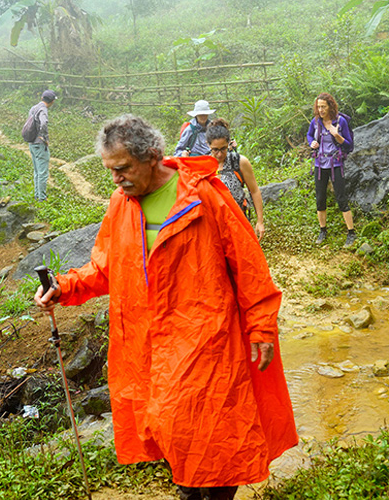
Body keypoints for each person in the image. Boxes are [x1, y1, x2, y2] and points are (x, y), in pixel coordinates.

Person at [34, 114, 297, 500]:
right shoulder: (120, 204)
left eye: (123, 168)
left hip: (209, 337)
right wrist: (65, 286)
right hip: (151, 342)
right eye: (110, 171)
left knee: (218, 427)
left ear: (152, 156)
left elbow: (248, 261)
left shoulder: (203, 194)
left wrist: (260, 326)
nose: (116, 179)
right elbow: (106, 266)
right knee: (174, 428)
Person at [307, 92, 356, 247]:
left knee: (341, 197)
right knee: (320, 198)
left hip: (336, 163)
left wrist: (337, 136)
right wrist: (312, 142)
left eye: (323, 106)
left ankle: (351, 232)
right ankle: (323, 230)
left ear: (330, 106)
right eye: (318, 106)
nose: (320, 110)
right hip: (320, 164)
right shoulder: (315, 122)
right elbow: (309, 135)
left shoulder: (340, 122)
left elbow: (349, 146)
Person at [206, 118, 265, 241]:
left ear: (229, 143)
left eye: (223, 149)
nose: (220, 154)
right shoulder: (204, 165)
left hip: (239, 222)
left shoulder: (239, 162)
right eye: (215, 150)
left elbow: (254, 191)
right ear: (208, 145)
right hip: (213, 226)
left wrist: (260, 221)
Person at [27, 89, 56, 201]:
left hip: (32, 143)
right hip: (39, 144)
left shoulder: (33, 108)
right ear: (52, 101)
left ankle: (37, 195)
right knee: (43, 172)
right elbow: (43, 123)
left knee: (37, 171)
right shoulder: (43, 110)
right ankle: (42, 198)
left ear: (41, 98)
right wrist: (44, 137)